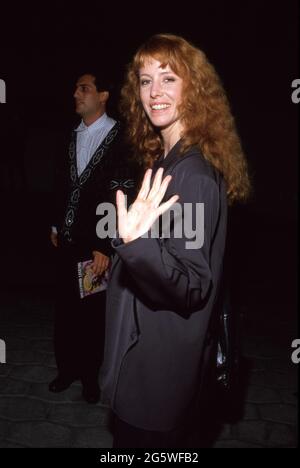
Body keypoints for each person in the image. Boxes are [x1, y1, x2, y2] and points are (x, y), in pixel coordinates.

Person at [100, 34, 251, 447]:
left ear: (194, 88)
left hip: (156, 378)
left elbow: (191, 282)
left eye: (168, 78)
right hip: (150, 364)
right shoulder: (170, 161)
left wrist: (134, 245)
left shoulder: (192, 174)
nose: (154, 92)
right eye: (145, 80)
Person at [49, 71, 138, 404]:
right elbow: (59, 181)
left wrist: (106, 244)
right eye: (75, 88)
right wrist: (55, 225)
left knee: (91, 313)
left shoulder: (119, 137)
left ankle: (90, 377)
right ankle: (66, 369)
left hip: (95, 243)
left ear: (102, 95)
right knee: (66, 308)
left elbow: (122, 191)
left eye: (83, 88)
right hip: (67, 238)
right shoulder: (69, 135)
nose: (75, 93)